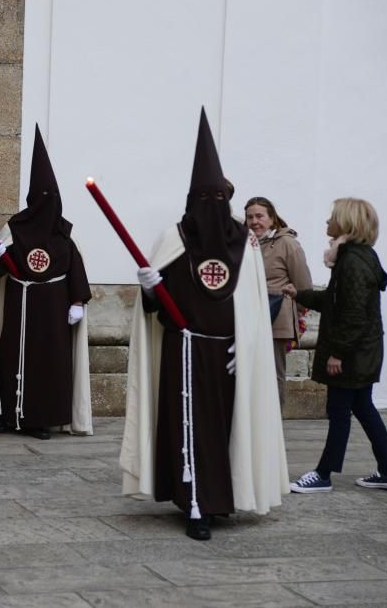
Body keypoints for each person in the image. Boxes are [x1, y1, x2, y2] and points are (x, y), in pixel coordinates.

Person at [120, 109, 287, 541]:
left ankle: (221, 497)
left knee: (225, 427)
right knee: (188, 426)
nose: (211, 207)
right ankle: (195, 504)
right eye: (204, 198)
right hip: (184, 350)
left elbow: (252, 304)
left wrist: (247, 346)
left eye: (219, 198)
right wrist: (151, 288)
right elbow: (157, 309)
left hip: (229, 357)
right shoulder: (174, 240)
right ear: (192, 198)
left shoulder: (245, 245)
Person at [0, 125, 92, 440]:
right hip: (20, 308)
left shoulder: (65, 232)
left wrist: (77, 301)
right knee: (12, 359)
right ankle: (10, 415)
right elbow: (1, 271)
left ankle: (42, 418)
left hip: (54, 312)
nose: (47, 203)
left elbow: (75, 265)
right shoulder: (15, 228)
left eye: (52, 197)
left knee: (51, 363)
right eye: (42, 197)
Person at [285, 198, 387, 493]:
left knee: (339, 412)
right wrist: (299, 294)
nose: (326, 223)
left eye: (332, 218)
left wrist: (338, 353)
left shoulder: (352, 261)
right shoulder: (357, 257)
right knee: (363, 407)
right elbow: (336, 302)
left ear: (347, 223)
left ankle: (323, 475)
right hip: (364, 351)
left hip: (353, 354)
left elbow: (353, 314)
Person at [244, 197, 313, 407]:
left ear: (272, 218)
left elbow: (303, 287)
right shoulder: (245, 244)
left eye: (259, 216)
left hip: (276, 319)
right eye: (249, 217)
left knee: (273, 375)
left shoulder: (287, 244)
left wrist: (294, 315)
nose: (254, 221)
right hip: (248, 318)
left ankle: (274, 429)